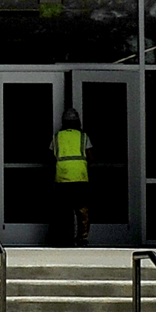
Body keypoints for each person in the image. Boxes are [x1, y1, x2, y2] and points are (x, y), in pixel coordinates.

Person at [52, 105, 92, 246]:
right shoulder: (83, 137)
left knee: (63, 210)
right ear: (77, 121)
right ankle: (82, 238)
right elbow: (90, 156)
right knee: (82, 210)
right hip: (80, 177)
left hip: (62, 179)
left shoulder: (57, 137)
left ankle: (64, 238)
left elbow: (51, 156)